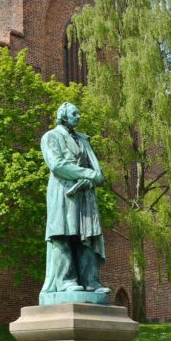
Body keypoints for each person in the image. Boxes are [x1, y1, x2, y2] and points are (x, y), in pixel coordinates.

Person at [39, 102, 110, 301]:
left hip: (85, 194)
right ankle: (65, 281)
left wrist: (93, 177)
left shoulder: (83, 140)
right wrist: (88, 174)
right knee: (63, 235)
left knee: (87, 236)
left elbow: (96, 170)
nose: (79, 116)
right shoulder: (51, 137)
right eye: (74, 114)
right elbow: (57, 165)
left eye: (79, 113)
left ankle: (90, 281)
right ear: (63, 116)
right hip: (63, 192)